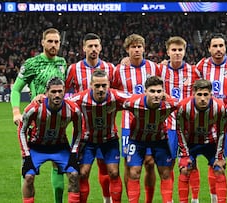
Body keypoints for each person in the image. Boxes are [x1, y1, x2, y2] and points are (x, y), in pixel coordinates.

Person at [10, 28, 67, 203]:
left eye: (56, 42)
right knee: (28, 172)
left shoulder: (62, 62)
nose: (53, 45)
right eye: (50, 41)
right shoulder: (32, 63)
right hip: (35, 123)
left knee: (59, 169)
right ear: (42, 42)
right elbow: (16, 89)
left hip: (57, 122)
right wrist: (16, 112)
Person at [65, 33, 116, 203]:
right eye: (90, 46)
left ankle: (107, 199)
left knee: (106, 168)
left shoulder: (110, 68)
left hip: (107, 128)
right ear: (84, 48)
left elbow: (117, 93)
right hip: (83, 130)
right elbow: (65, 94)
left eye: (96, 46)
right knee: (82, 171)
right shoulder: (74, 69)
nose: (93, 49)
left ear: (100, 47)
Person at [196, 33, 227, 202]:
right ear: (209, 48)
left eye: (221, 46)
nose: (218, 49)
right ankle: (214, 198)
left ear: (226, 47)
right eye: (215, 46)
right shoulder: (201, 66)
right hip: (211, 122)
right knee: (214, 162)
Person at [18, 77, 83, 203]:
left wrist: (74, 153)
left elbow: (79, 131)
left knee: (74, 176)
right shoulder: (35, 108)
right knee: (28, 177)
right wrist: (26, 156)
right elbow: (21, 130)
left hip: (60, 147)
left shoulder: (73, 110)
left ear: (64, 91)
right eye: (53, 92)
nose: (57, 95)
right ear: (46, 93)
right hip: (37, 147)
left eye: (60, 91)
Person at [112, 33, 161, 202]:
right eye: (133, 47)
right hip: (128, 124)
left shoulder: (155, 68)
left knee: (150, 163)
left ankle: (148, 200)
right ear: (127, 50)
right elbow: (113, 92)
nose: (137, 49)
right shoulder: (119, 70)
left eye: (139, 46)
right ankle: (132, 198)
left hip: (151, 124)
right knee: (129, 164)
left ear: (144, 48)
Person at [69, 69, 130, 203]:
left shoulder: (116, 96)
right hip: (87, 141)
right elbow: (62, 103)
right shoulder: (80, 99)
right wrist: (42, 99)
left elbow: (137, 100)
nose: (101, 89)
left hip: (109, 140)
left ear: (109, 84)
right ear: (91, 85)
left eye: (104, 85)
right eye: (97, 86)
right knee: (83, 173)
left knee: (114, 173)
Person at [159, 36, 201, 202]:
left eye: (180, 50)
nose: (177, 53)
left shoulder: (193, 71)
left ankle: (195, 199)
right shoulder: (159, 70)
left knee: (191, 164)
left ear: (184, 51)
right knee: (168, 166)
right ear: (168, 51)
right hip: (167, 126)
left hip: (188, 126)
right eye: (173, 50)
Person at [123, 76, 178, 203]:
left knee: (165, 173)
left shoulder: (170, 104)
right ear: (145, 91)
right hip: (137, 140)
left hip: (159, 140)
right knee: (134, 172)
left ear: (163, 92)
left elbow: (183, 106)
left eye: (159, 91)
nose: (156, 95)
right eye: (152, 91)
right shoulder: (133, 103)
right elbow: (118, 104)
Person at [176, 79, 227, 203]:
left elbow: (222, 132)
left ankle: (216, 200)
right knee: (185, 169)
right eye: (199, 95)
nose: (203, 98)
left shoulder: (219, 107)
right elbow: (180, 131)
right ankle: (193, 200)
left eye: (206, 94)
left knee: (219, 169)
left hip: (211, 142)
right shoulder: (183, 107)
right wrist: (184, 154)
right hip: (191, 142)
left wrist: (219, 156)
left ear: (211, 94)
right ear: (193, 94)